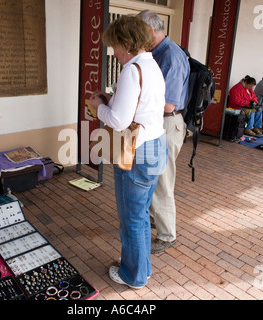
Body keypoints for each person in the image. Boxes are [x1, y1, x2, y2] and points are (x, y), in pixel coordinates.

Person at [88, 15, 167, 289]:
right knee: (141, 216)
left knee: (131, 220)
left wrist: (97, 106)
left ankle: (132, 276)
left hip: (136, 152)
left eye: (115, 46)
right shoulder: (151, 65)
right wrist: (111, 101)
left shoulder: (131, 70)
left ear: (126, 42)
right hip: (156, 146)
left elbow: (120, 121)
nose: (114, 52)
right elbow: (141, 106)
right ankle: (142, 269)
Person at [138, 10, 190, 254]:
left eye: (139, 33)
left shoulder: (170, 56)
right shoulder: (156, 54)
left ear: (150, 31)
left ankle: (168, 235)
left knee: (162, 182)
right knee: (154, 177)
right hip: (160, 123)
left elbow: (168, 104)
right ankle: (154, 219)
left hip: (168, 123)